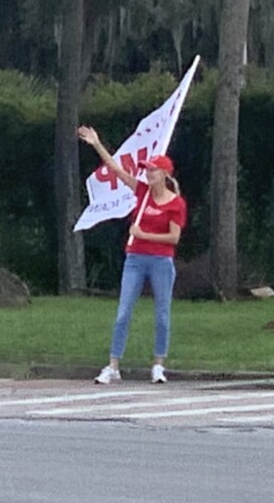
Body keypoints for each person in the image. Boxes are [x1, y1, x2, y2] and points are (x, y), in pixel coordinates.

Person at [77, 126, 187, 384]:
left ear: (164, 174)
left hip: (161, 260)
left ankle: (159, 364)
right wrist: (96, 143)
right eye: (146, 170)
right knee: (123, 311)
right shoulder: (141, 191)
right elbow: (116, 169)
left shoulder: (175, 203)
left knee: (162, 313)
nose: (147, 174)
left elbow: (174, 238)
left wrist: (143, 234)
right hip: (135, 259)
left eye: (152, 170)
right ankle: (113, 364)